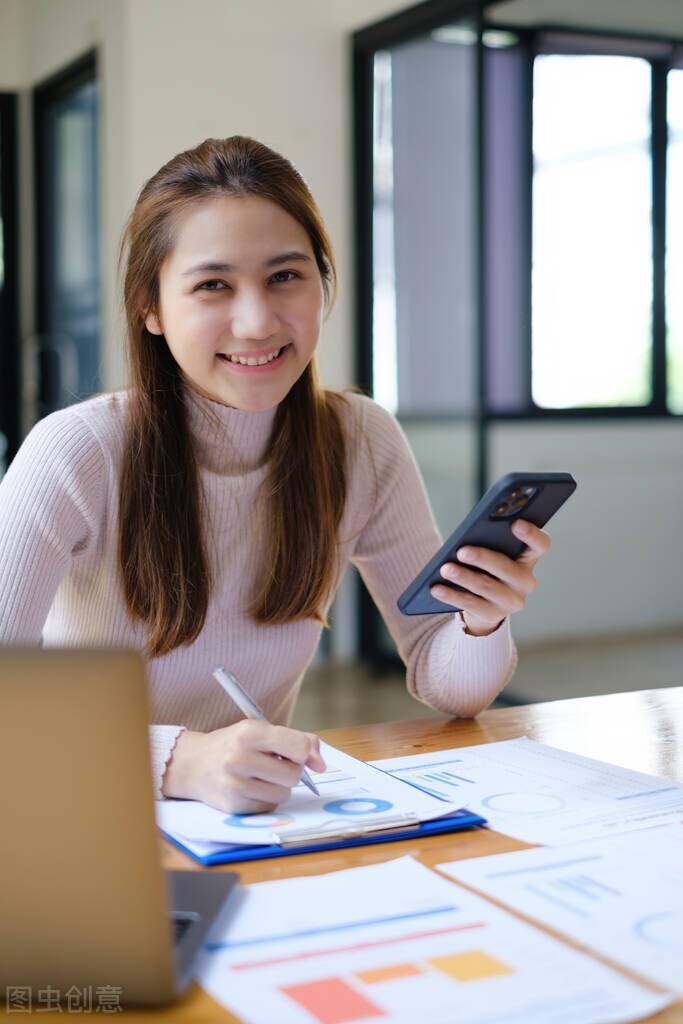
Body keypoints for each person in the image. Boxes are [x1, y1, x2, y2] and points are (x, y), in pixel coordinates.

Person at [0, 136, 550, 814]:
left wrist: (478, 624)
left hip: (257, 824)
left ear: (322, 282)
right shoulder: (76, 451)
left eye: (285, 276)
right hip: (80, 808)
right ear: (150, 308)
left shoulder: (359, 440)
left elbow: (450, 689)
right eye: (212, 285)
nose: (257, 322)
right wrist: (176, 760)